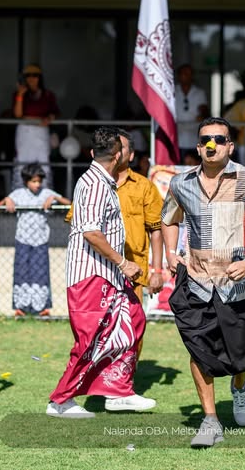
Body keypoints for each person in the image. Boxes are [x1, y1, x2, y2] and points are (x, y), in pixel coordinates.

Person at [162, 117, 245, 448]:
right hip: (197, 280)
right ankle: (210, 420)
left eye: (219, 138)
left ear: (230, 145)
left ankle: (240, 385)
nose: (211, 144)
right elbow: (168, 220)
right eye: (205, 140)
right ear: (199, 147)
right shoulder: (181, 183)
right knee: (198, 348)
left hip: (237, 282)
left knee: (241, 353)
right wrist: (171, 254)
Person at [47, 127, 155, 419]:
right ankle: (60, 401)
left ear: (92, 152)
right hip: (91, 275)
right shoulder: (94, 184)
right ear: (118, 155)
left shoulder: (103, 181)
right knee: (89, 339)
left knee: (134, 318)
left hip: (109, 275)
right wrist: (123, 262)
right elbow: (91, 233)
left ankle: (117, 391)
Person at [64, 129, 166, 346]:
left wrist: (157, 271)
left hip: (133, 272)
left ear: (128, 155)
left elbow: (156, 229)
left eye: (122, 147)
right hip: (99, 272)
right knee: (97, 336)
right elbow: (81, 228)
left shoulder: (144, 187)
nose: (116, 151)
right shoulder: (94, 184)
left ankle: (127, 379)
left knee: (132, 333)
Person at [0, 163, 70, 317]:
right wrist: (7, 200)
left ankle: (42, 307)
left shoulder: (46, 193)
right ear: (26, 181)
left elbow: (68, 203)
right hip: (22, 239)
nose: (37, 185)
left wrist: (54, 197)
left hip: (41, 240)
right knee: (22, 272)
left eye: (39, 181)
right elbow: (1, 204)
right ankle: (21, 307)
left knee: (41, 273)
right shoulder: (18, 193)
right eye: (33, 181)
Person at [12, 64, 60, 189]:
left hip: (41, 131)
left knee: (44, 162)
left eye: (35, 75)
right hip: (25, 131)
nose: (31, 78)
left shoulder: (48, 95)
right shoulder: (19, 94)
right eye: (28, 76)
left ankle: (45, 195)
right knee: (22, 162)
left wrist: (49, 118)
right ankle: (20, 194)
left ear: (40, 78)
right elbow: (18, 114)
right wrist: (20, 95)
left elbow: (55, 112)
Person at [174, 64, 210, 161]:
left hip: (194, 135)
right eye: (184, 73)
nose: (187, 76)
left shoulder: (199, 92)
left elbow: (205, 111)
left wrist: (202, 116)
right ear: (178, 75)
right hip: (177, 134)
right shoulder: (172, 91)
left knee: (194, 164)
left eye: (189, 74)